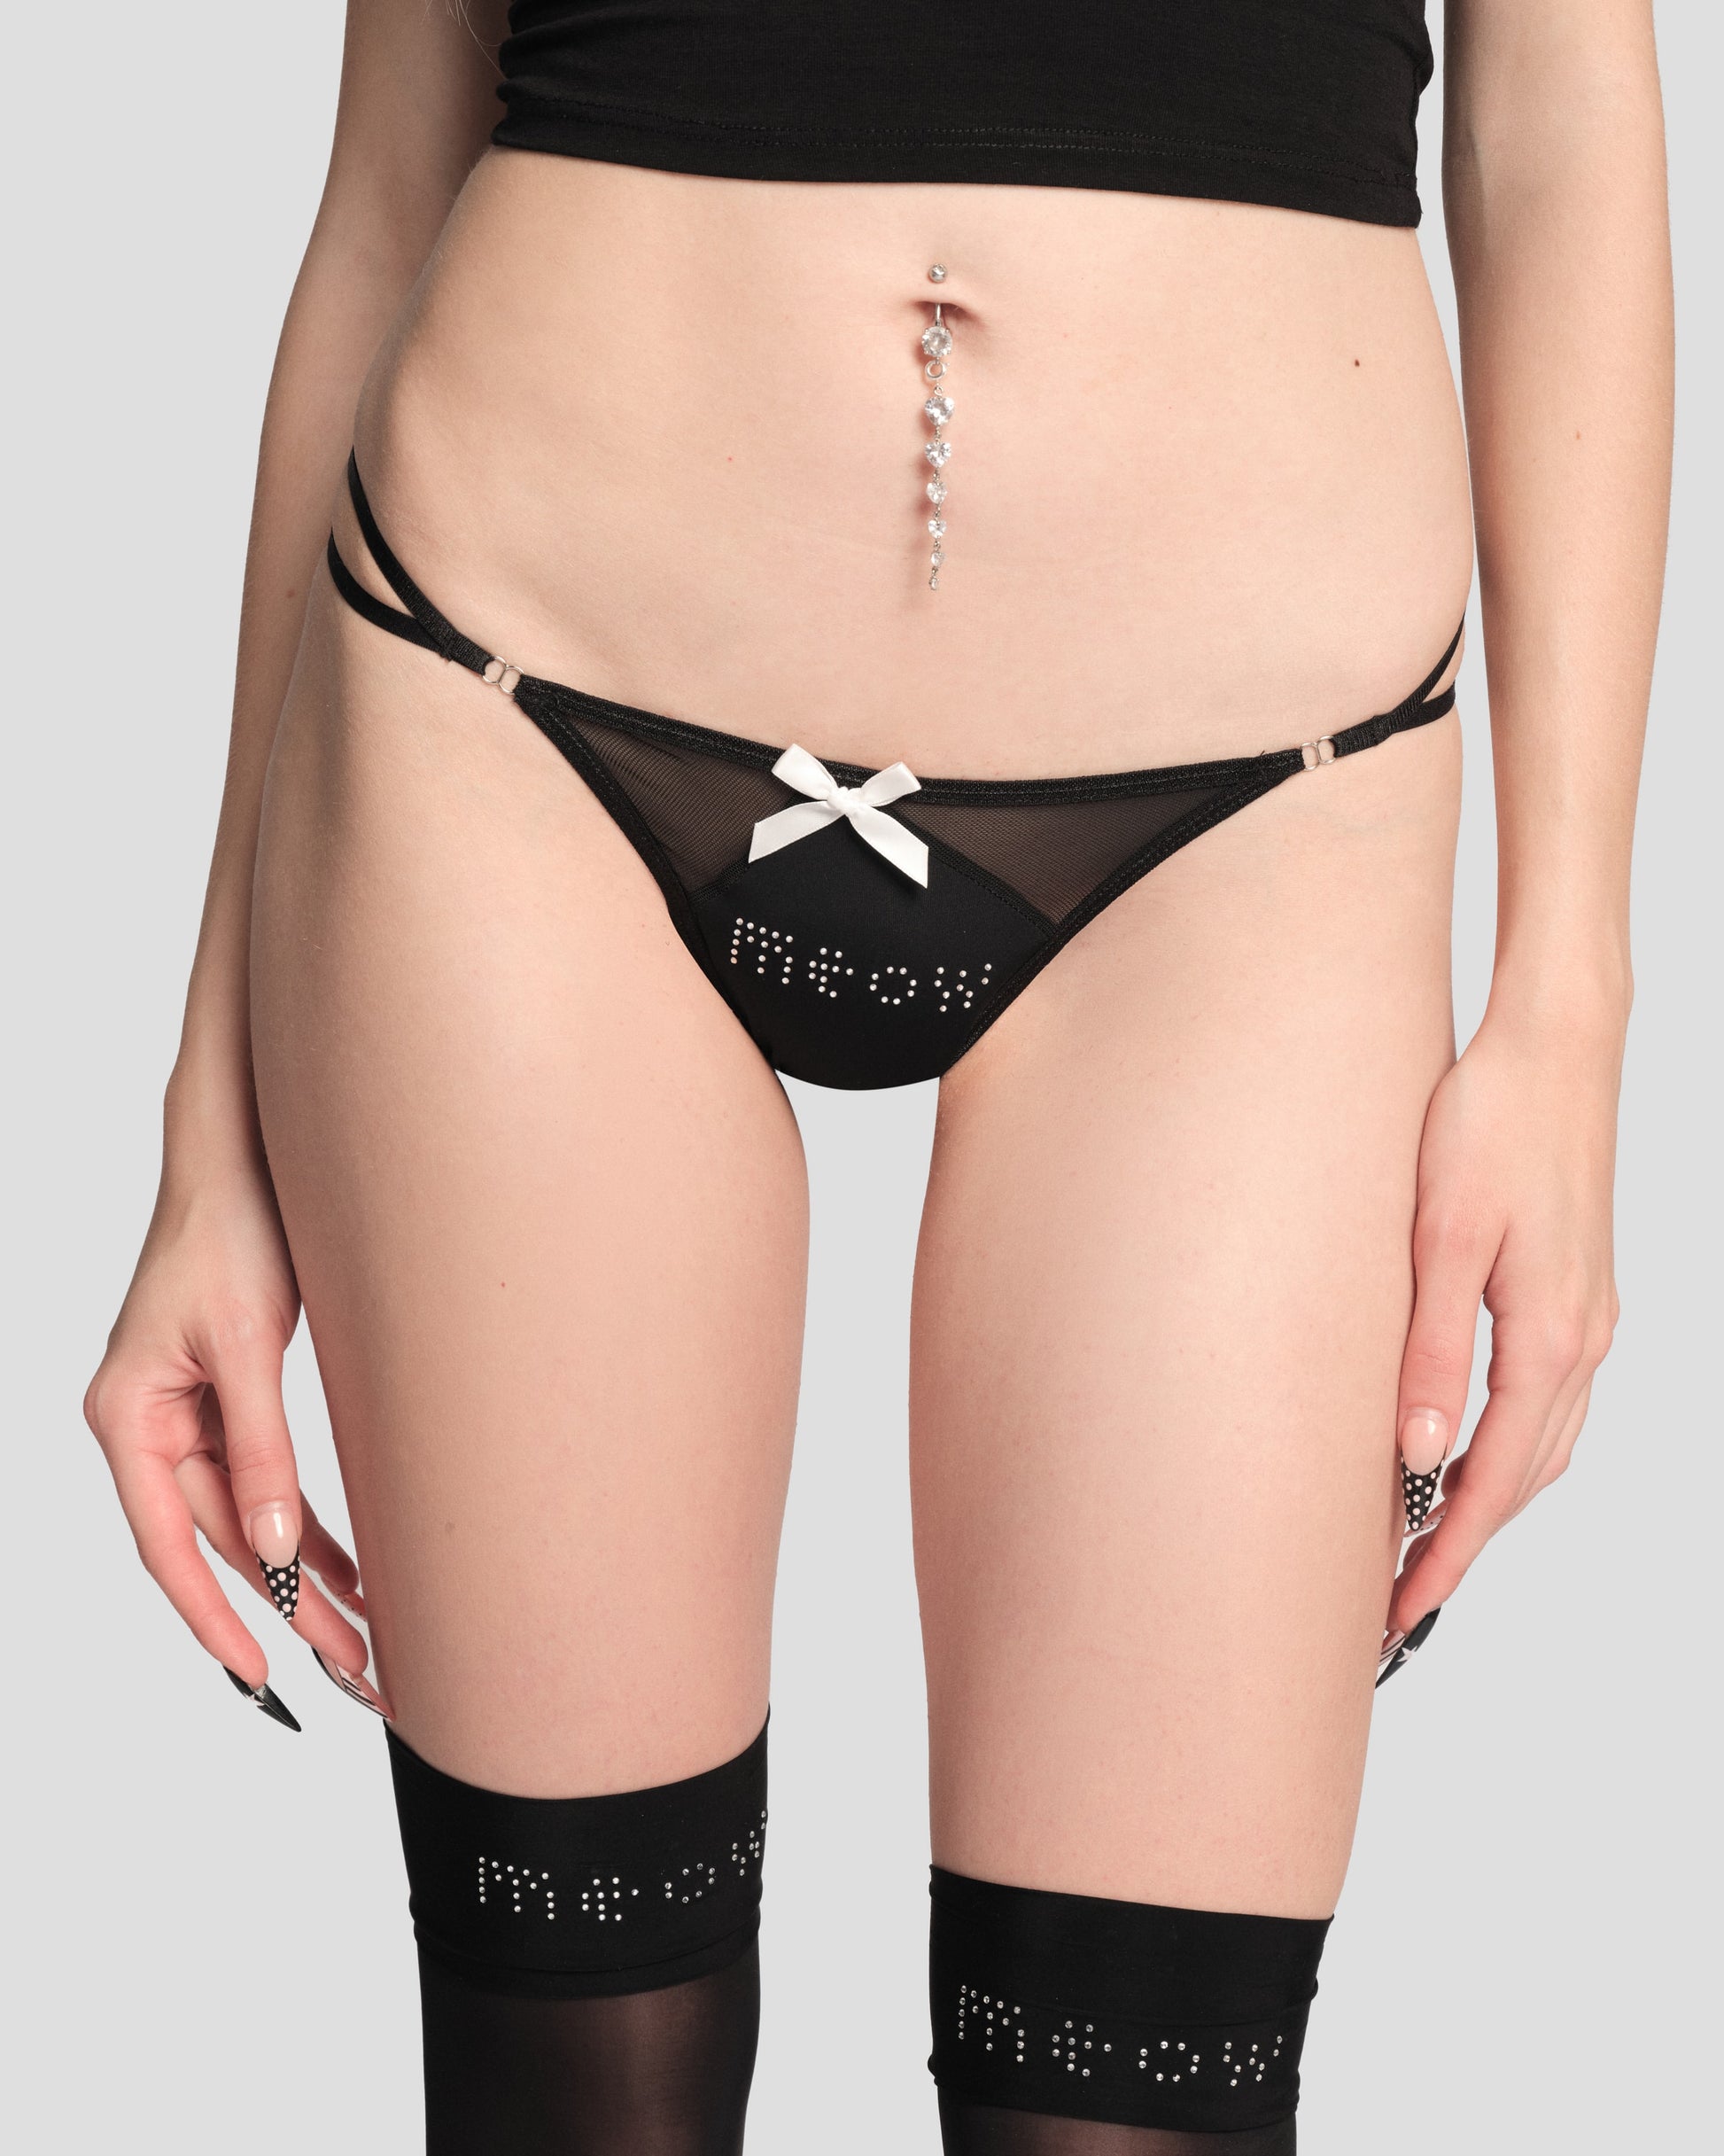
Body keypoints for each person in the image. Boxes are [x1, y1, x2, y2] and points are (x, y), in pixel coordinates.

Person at [83, 3, 1671, 2149]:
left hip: (1250, 820)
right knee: (568, 2087)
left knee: (1134, 2092)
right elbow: (387, 186)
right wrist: (213, 1119)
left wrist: (1567, 1011)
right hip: (518, 706)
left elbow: (1559, 113)